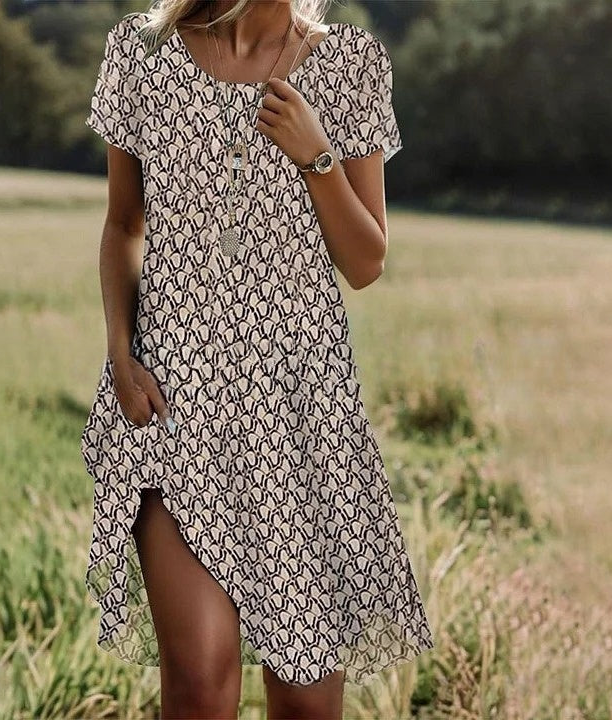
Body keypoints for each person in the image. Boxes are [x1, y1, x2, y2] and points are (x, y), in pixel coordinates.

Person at [81, 1, 434, 718]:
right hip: (177, 406)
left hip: (302, 418)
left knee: (307, 703)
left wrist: (317, 156)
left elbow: (365, 262)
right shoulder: (142, 52)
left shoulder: (350, 65)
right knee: (200, 682)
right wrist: (120, 353)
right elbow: (123, 223)